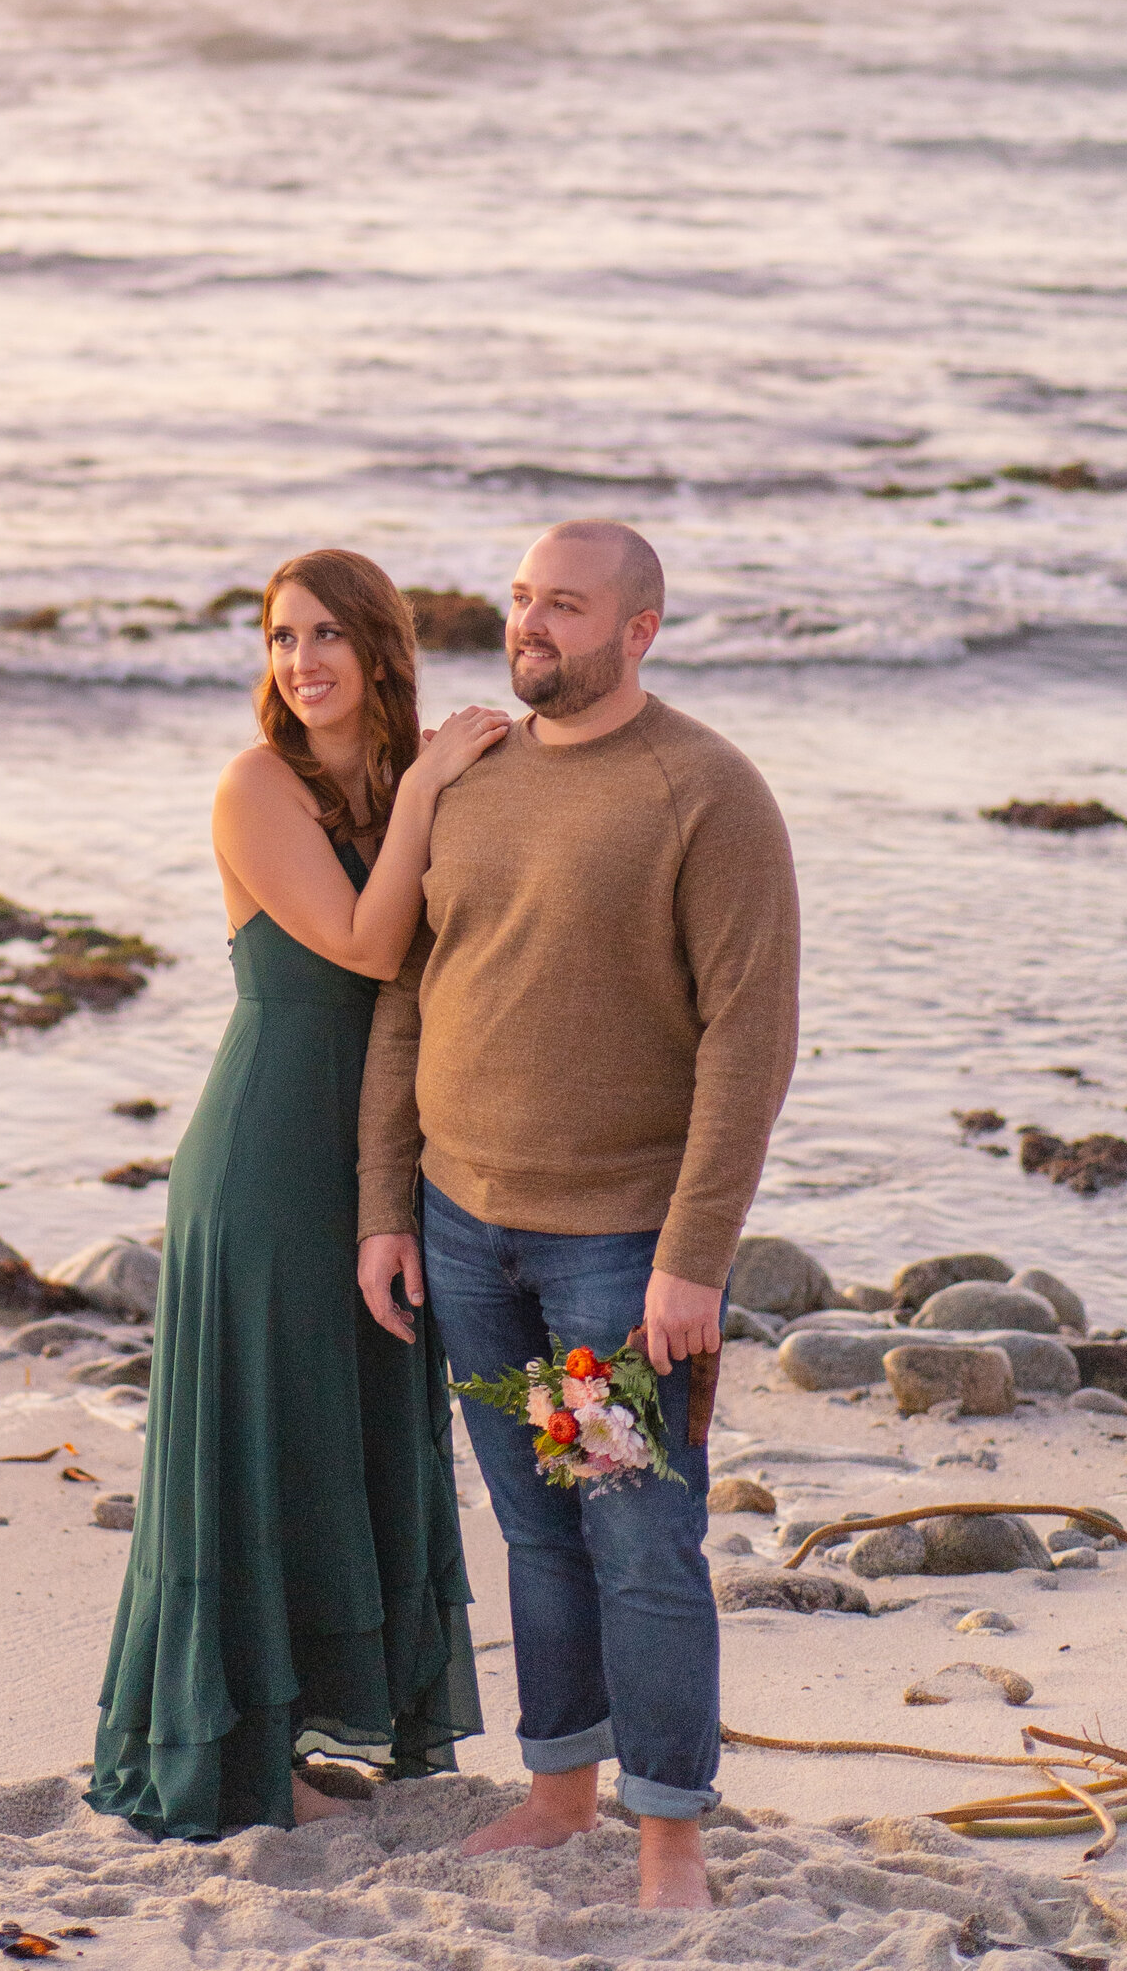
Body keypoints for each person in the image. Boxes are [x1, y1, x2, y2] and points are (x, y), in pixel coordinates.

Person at [354, 521, 799, 1913]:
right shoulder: (470, 779)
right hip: (468, 1231)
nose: (531, 625)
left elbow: (749, 1037)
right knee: (537, 1531)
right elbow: (408, 994)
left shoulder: (705, 792)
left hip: (612, 1254)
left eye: (566, 604)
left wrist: (691, 1259)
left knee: (631, 1532)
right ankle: (561, 1794)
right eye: (522, 598)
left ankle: (669, 1837)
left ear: (641, 629)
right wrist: (387, 1202)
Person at [90, 549, 509, 1840]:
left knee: (350, 1435)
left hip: (389, 1154)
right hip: (271, 1153)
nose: (302, 660)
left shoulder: (387, 786)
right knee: (262, 1446)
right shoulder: (256, 784)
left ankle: (311, 1729)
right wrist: (439, 778)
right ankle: (239, 1759)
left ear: (382, 651)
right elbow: (372, 944)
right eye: (281, 636)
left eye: (328, 634)